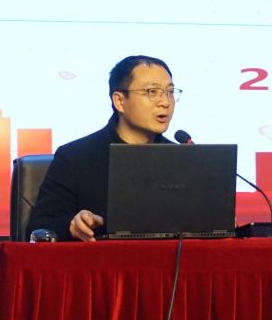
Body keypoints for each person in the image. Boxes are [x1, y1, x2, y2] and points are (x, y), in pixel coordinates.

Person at [25, 55, 180, 241]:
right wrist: (71, 225)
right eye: (152, 92)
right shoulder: (75, 158)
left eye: (170, 92)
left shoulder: (182, 159)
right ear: (119, 101)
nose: (165, 102)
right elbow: (37, 229)